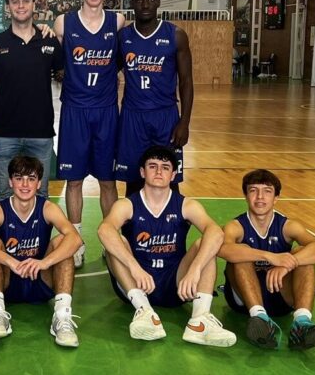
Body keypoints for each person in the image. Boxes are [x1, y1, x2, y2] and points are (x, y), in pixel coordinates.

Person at [98, 145, 236, 347]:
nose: (158, 171)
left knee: (204, 244)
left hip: (177, 284)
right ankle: (145, 312)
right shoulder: (127, 204)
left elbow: (216, 232)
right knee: (117, 242)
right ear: (142, 172)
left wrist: (195, 270)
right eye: (152, 166)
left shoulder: (186, 205)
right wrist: (134, 267)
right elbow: (104, 230)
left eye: (165, 167)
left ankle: (199, 321)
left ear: (173, 174)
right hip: (137, 284)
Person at [53, 0, 126, 268]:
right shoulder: (63, 23)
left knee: (108, 181)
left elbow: (121, 64)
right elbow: (54, 58)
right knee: (74, 181)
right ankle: (77, 242)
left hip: (106, 112)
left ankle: (112, 242)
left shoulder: (117, 21)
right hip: (75, 110)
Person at [218, 169, 315, 350]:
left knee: (303, 254)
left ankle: (301, 324)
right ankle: (260, 319)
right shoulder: (236, 226)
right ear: (245, 195)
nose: (260, 197)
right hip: (243, 300)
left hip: (279, 294)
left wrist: (287, 265)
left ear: (276, 198)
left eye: (267, 191)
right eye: (253, 190)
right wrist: (269, 256)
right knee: (241, 252)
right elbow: (223, 249)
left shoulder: (287, 225)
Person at [0, 155, 83, 347]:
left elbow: (75, 239)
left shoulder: (48, 208)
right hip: (7, 281)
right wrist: (10, 261)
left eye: (31, 178)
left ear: (39, 183)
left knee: (63, 241)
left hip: (41, 280)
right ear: (10, 182)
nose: (25, 184)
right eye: (19, 178)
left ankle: (62, 317)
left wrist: (44, 262)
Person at [0, 0, 63, 203]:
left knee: (40, 194)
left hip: (41, 133)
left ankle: (38, 229)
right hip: (4, 134)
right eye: (15, 1)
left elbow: (64, 75)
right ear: (8, 7)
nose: (21, 6)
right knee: (4, 194)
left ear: (34, 4)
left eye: (26, 0)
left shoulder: (49, 40)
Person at [116, 0, 194, 197]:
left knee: (169, 180)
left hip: (165, 117)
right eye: (140, 0)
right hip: (132, 116)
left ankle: (171, 219)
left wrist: (184, 122)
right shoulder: (123, 37)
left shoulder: (175, 35)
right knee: (133, 182)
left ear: (158, 2)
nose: (145, 4)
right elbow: (106, 69)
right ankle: (133, 220)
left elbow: (186, 81)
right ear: (132, 3)